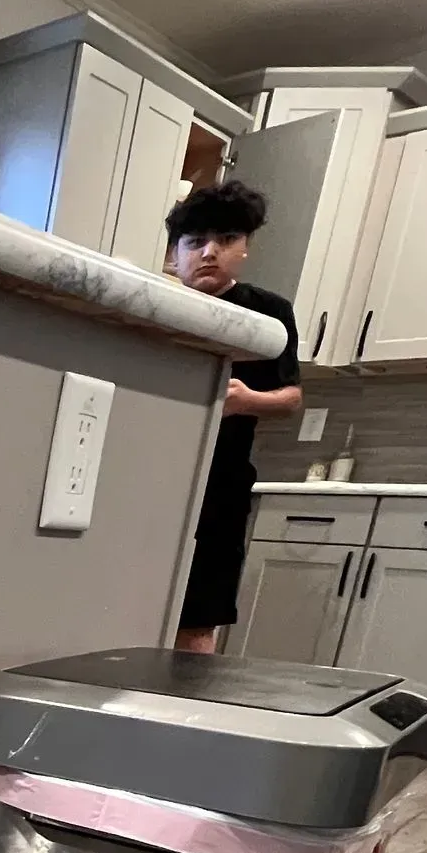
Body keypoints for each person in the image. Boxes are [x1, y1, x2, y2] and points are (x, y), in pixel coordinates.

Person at [166, 179, 303, 652]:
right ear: (174, 254)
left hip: (221, 483)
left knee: (199, 617)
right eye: (195, 241)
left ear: (244, 248)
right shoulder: (156, 306)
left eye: (225, 240)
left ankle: (186, 698)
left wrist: (247, 401)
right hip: (153, 475)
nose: (209, 252)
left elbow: (291, 398)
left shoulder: (268, 313)